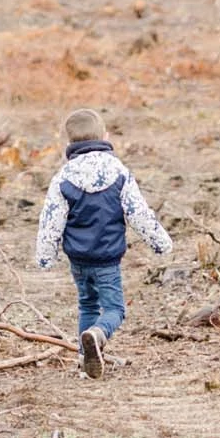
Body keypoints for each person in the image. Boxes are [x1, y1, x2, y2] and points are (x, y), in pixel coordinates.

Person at [33, 106, 172, 376]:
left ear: (69, 142)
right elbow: (138, 212)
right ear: (105, 135)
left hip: (78, 258)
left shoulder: (63, 176)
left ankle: (87, 360)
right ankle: (98, 335)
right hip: (107, 257)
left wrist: (45, 257)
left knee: (87, 303)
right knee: (114, 309)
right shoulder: (118, 172)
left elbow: (50, 220)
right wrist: (160, 243)